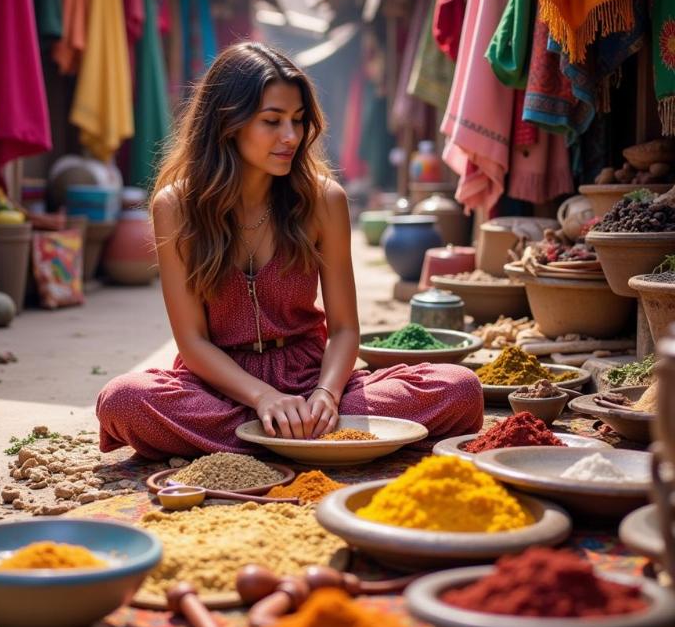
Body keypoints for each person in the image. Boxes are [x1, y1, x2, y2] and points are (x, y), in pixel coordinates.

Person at [96, 43, 483, 459]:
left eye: (298, 121)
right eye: (272, 121)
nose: (291, 137)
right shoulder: (175, 207)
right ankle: (308, 443)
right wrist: (263, 399)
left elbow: (344, 330)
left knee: (459, 388)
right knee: (122, 400)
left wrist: (326, 397)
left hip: (311, 379)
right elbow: (193, 342)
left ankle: (271, 440)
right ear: (228, 122)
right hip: (219, 390)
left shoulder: (322, 200)